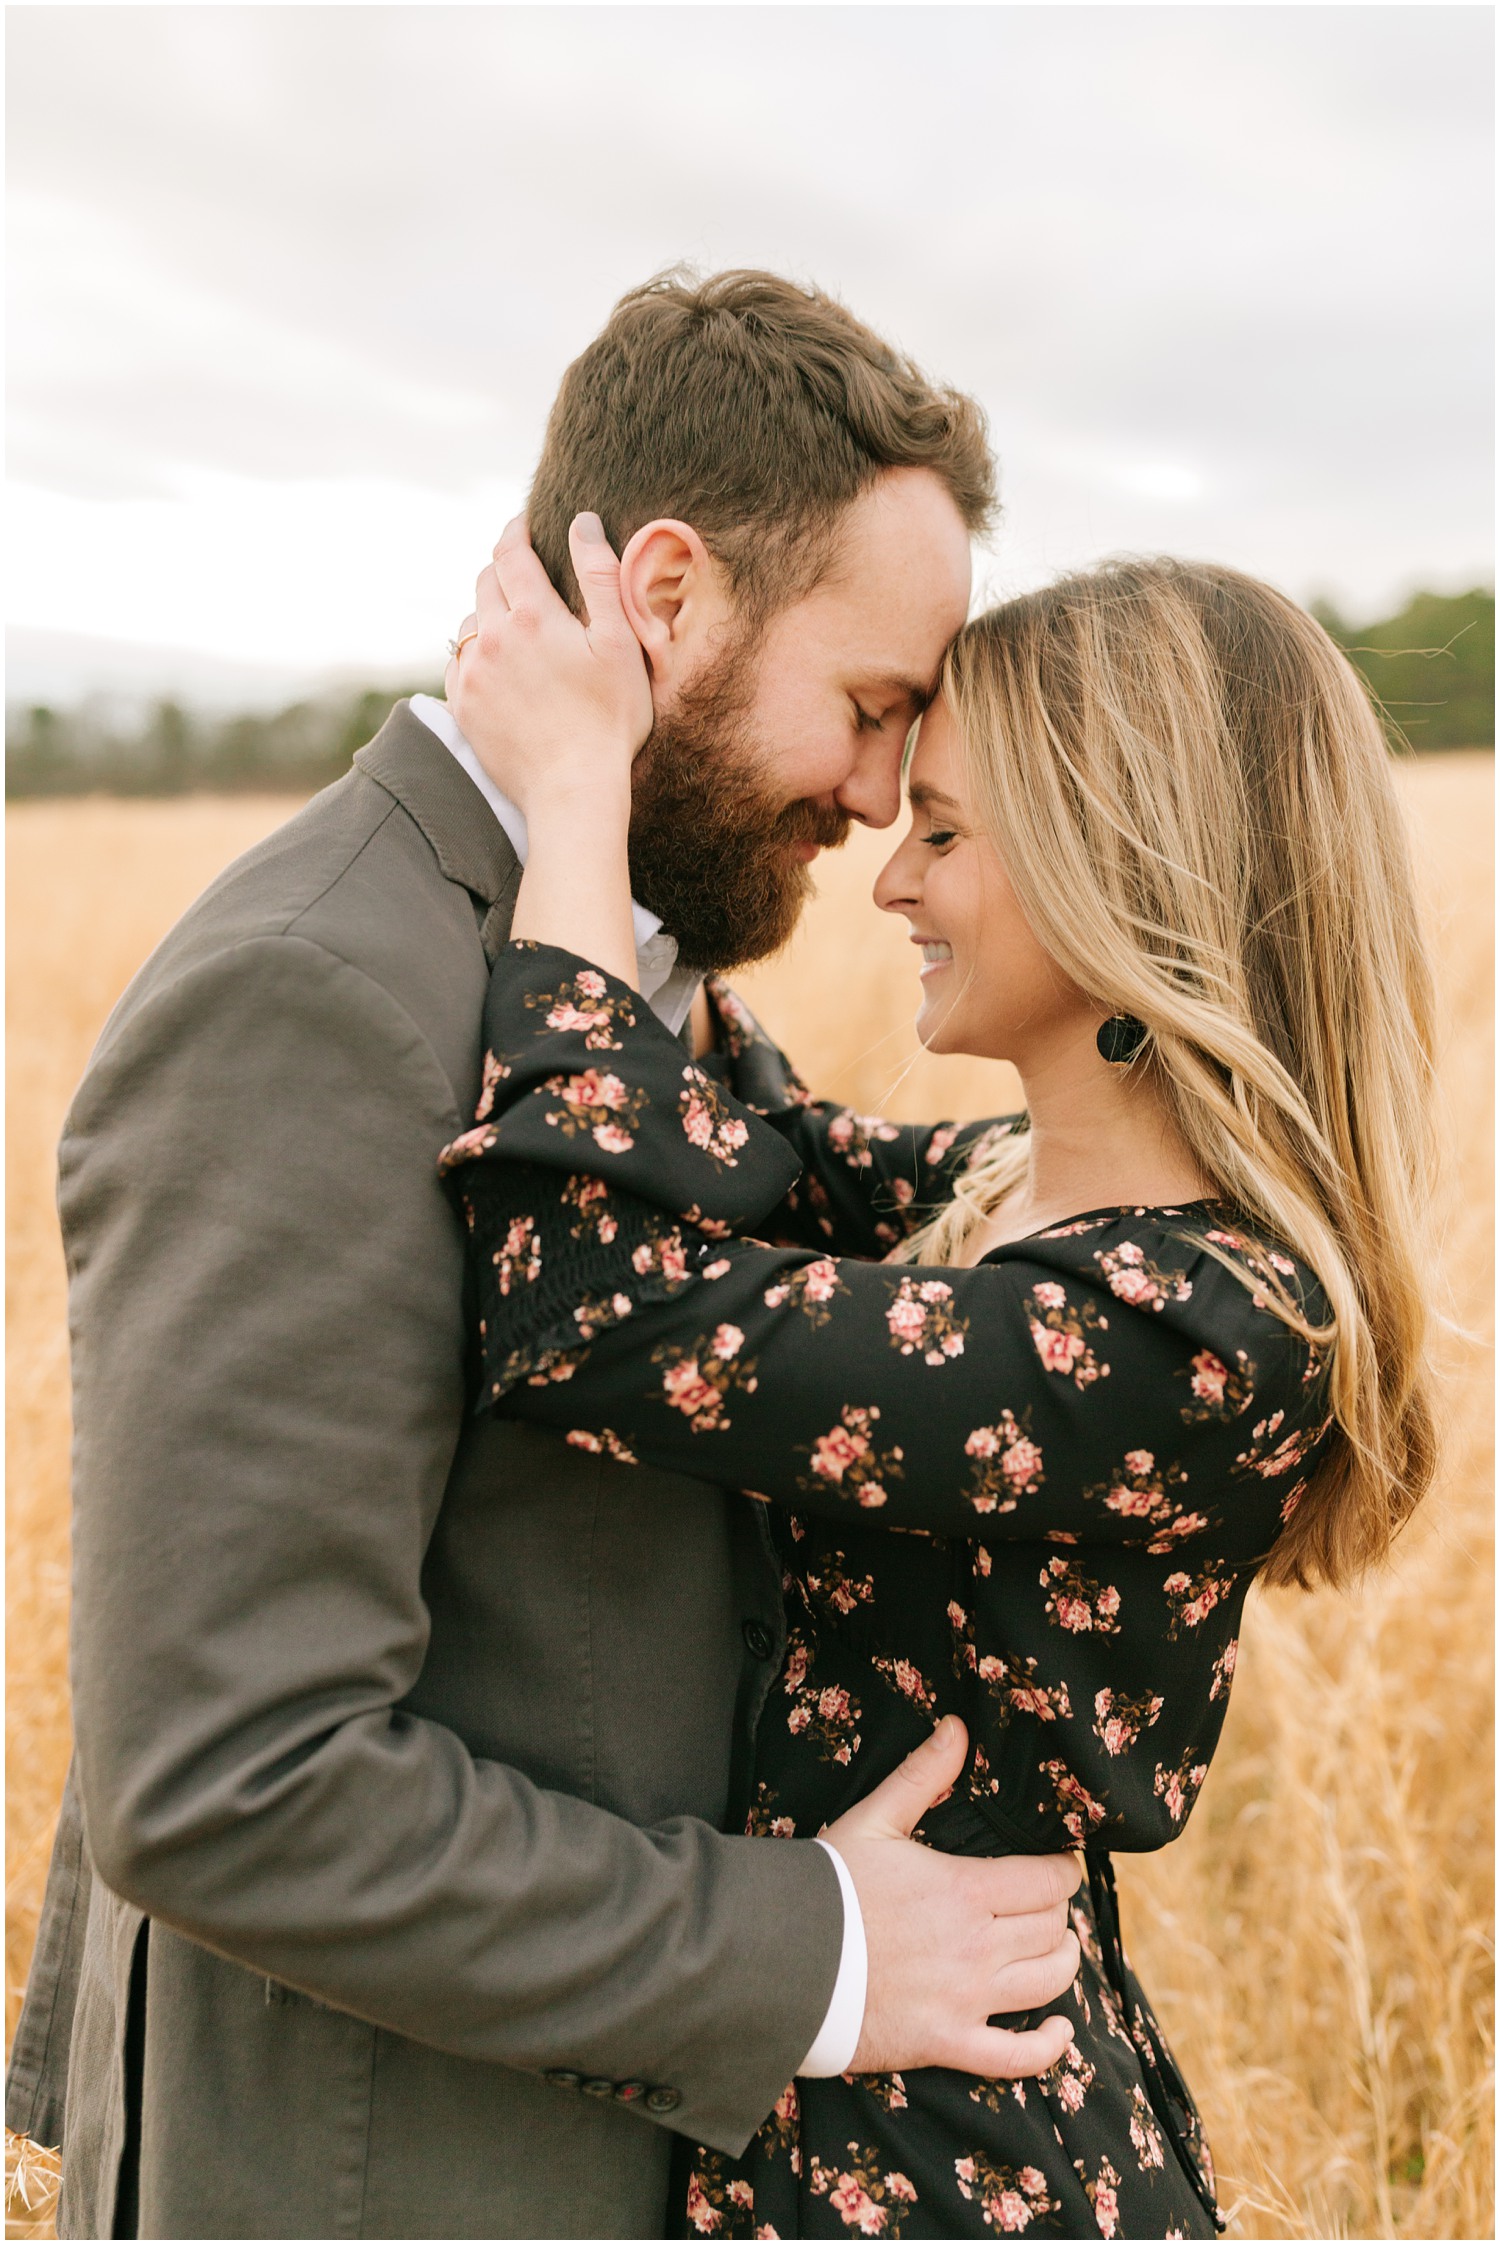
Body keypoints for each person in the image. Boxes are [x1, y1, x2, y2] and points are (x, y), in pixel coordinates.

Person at [5, 271, 1085, 2243]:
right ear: (664, 600)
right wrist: (817, 1953)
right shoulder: (314, 995)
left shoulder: (621, 970)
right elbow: (231, 1777)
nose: (873, 796)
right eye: (864, 710)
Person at [436, 525, 1439, 2237]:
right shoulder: (1008, 1191)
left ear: (1124, 872)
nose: (892, 881)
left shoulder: (1176, 1339)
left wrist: (582, 793)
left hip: (946, 2174)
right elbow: (732, 1148)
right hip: (842, 2103)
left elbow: (589, 1305)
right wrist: (678, 736)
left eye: (949, 834)